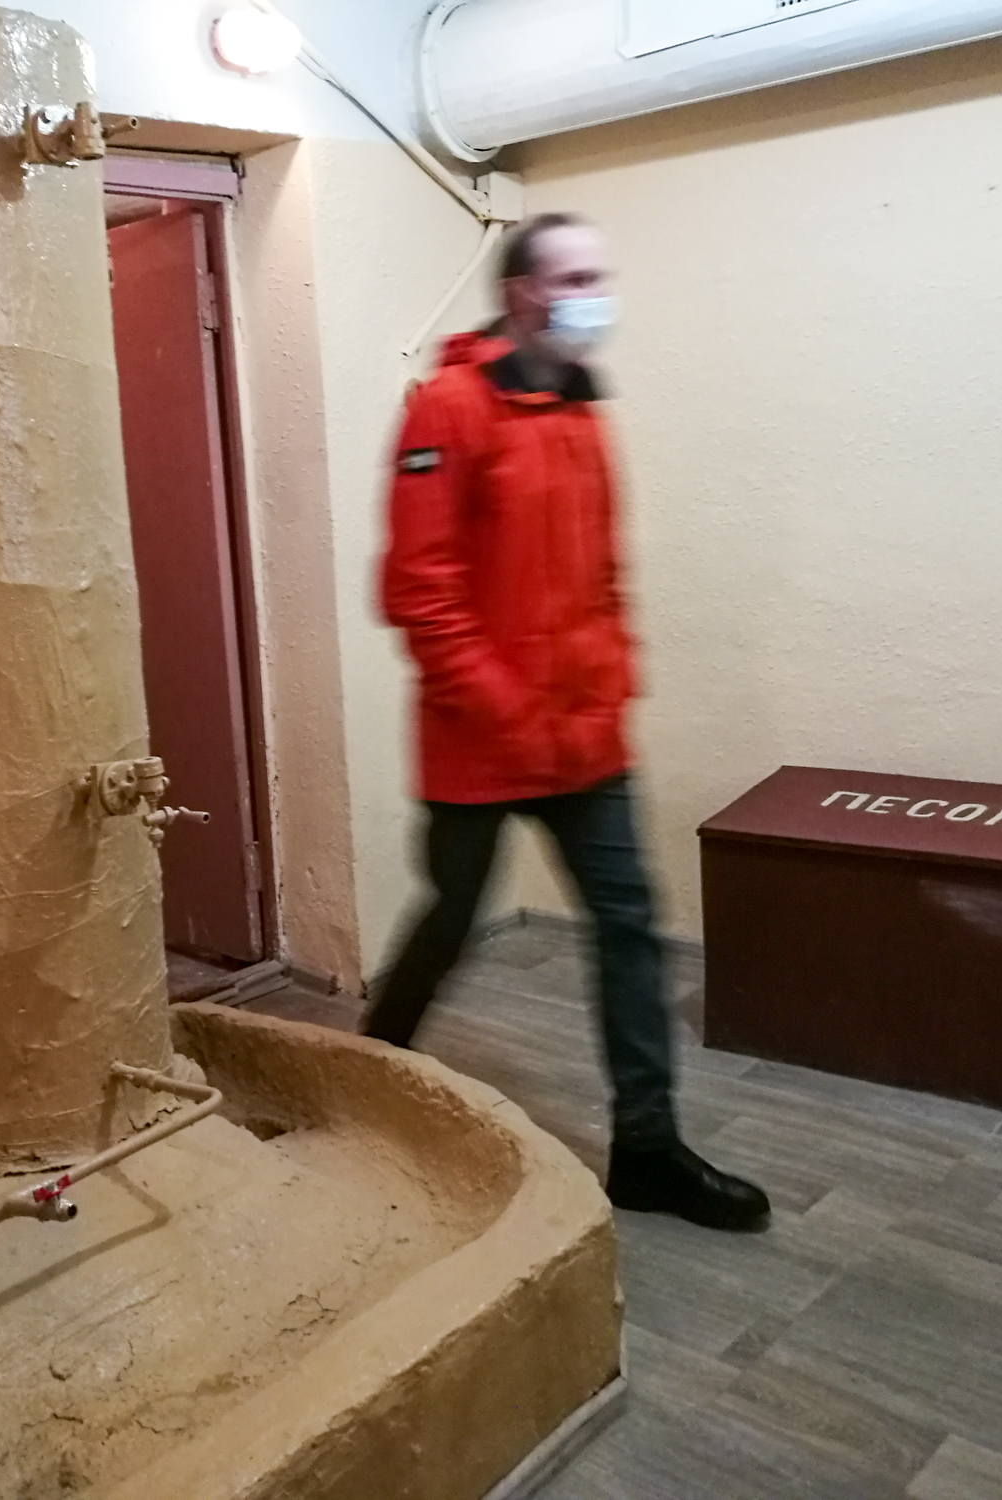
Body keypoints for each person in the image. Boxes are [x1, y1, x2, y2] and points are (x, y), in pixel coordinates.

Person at [366, 212, 769, 1232]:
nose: (596, 291)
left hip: (584, 744)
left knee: (627, 927)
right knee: (452, 919)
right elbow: (419, 592)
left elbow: (599, 579)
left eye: (600, 273)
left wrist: (610, 682)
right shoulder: (446, 411)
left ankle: (646, 1148)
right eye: (576, 275)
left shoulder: (584, 409)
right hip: (477, 748)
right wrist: (512, 716)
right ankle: (363, 1075)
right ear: (522, 294)